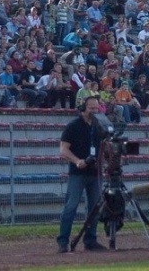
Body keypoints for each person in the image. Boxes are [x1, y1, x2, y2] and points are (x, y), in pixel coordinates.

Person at [56, 95, 106, 253]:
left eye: (96, 108)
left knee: (95, 208)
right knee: (70, 207)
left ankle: (90, 240)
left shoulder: (99, 126)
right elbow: (63, 150)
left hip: (95, 172)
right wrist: (77, 161)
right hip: (78, 172)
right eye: (91, 108)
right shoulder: (73, 126)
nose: (94, 111)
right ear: (83, 108)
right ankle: (63, 241)